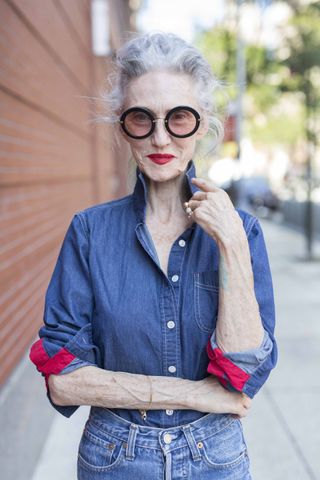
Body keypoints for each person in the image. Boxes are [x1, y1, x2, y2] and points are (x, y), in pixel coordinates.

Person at [29, 32, 277, 479]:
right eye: (141, 118)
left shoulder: (243, 231)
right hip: (114, 456)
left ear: (202, 124)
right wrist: (193, 394)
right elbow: (63, 381)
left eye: (179, 117)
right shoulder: (90, 232)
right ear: (122, 126)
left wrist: (232, 244)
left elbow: (241, 376)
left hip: (215, 457)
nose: (160, 138)